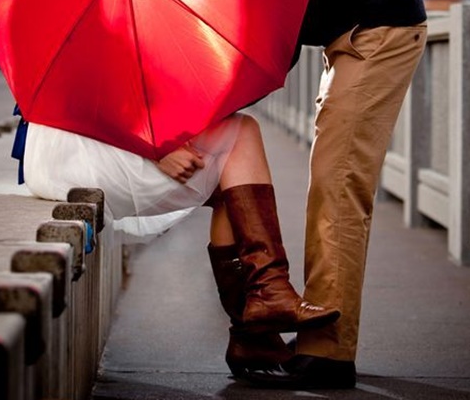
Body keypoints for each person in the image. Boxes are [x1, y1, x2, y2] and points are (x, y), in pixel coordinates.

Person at [242, 0, 428, 390]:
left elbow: (273, 54)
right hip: (352, 34)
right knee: (330, 184)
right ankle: (308, 339)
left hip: (381, 28)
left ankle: (328, 353)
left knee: (339, 187)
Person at [21, 110, 340, 373]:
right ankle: (264, 302)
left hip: (73, 145)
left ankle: (257, 331)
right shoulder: (96, 33)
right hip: (80, 147)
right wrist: (157, 146)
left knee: (232, 178)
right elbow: (85, 95)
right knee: (241, 135)